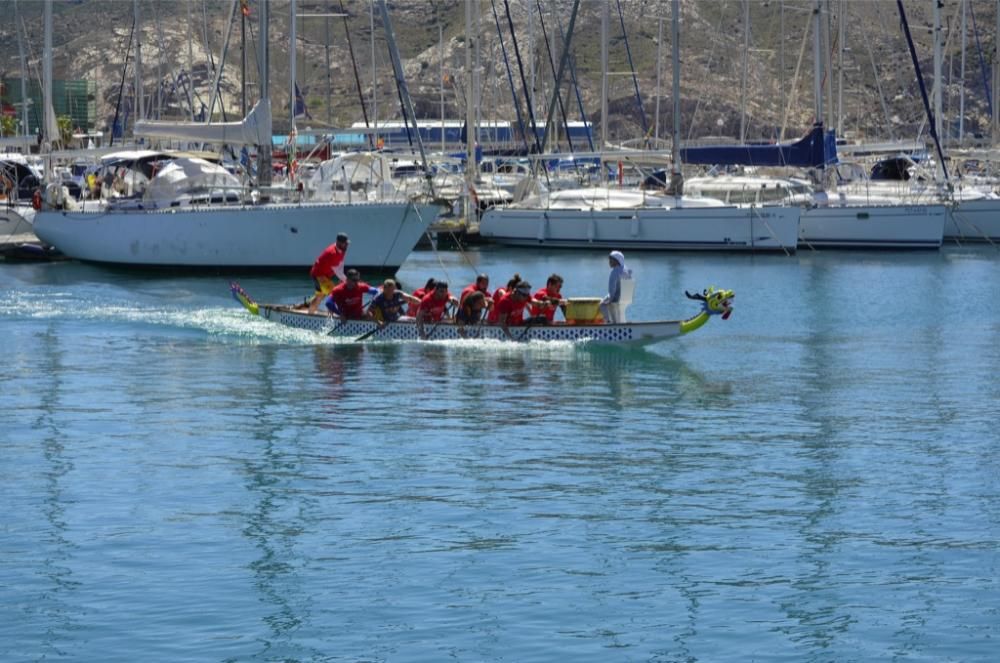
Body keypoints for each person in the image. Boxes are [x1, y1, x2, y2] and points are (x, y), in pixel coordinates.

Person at [307, 232, 350, 314]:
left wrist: (343, 279)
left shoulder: (342, 249)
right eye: (345, 243)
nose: (347, 245)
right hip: (318, 275)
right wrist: (346, 280)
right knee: (335, 293)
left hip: (325, 276)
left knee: (320, 296)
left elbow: (341, 264)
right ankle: (332, 318)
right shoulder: (332, 253)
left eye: (347, 243)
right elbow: (339, 272)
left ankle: (310, 313)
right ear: (339, 243)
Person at [600, 250, 633, 324]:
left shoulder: (614, 272)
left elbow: (612, 289)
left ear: (617, 261)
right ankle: (619, 322)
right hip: (626, 298)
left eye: (611, 260)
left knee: (602, 304)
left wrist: (610, 300)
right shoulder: (626, 269)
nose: (609, 262)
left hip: (617, 299)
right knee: (608, 300)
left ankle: (609, 323)